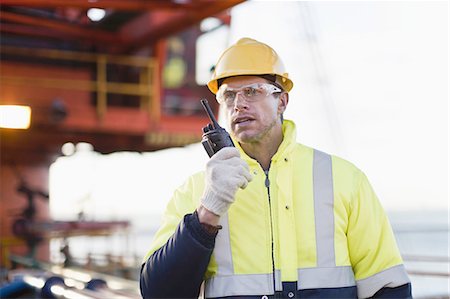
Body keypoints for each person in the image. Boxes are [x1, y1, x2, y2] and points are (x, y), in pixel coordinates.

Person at [140, 38, 412, 298]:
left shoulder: (344, 179)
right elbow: (159, 292)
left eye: (252, 91)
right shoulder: (196, 191)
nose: (239, 104)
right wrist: (207, 212)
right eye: (229, 95)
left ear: (282, 101)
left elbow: (387, 286)